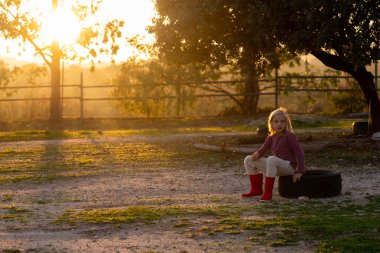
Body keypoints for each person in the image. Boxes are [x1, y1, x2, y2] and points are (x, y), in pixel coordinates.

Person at [241, 107, 305, 201]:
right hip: (275, 166)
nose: (279, 124)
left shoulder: (290, 136)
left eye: (282, 121)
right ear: (271, 123)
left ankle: (268, 193)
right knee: (248, 159)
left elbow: (299, 153)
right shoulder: (271, 137)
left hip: (289, 167)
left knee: (271, 159)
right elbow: (262, 150)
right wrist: (257, 154)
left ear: (286, 123)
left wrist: (300, 171)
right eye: (276, 121)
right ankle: (256, 190)